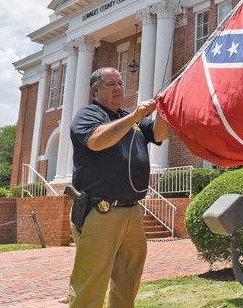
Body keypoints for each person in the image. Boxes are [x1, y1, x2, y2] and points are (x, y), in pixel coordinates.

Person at [68, 67, 169, 308]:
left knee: (128, 281)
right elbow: (97, 140)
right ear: (95, 90)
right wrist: (135, 115)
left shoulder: (130, 118)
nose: (118, 89)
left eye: (120, 83)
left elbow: (159, 133)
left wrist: (165, 108)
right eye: (111, 84)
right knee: (91, 282)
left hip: (132, 212)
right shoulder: (88, 115)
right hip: (101, 209)